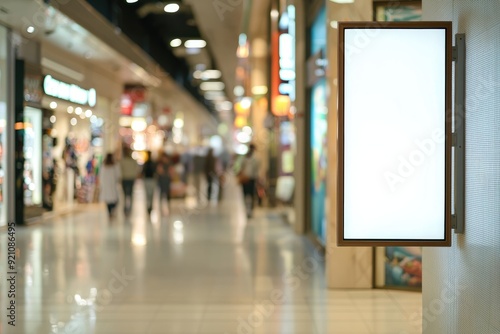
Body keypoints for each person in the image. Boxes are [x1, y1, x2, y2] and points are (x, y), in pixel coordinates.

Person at [239, 144, 260, 218]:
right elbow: (241, 167)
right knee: (245, 194)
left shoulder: (256, 159)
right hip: (245, 179)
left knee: (251, 194)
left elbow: (257, 170)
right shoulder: (244, 158)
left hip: (252, 179)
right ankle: (247, 208)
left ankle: (250, 209)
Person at [99, 153, 121, 218]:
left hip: (107, 184)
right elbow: (118, 175)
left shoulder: (103, 166)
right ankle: (111, 211)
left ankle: (110, 212)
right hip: (112, 184)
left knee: (108, 200)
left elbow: (101, 176)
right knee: (113, 199)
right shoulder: (115, 165)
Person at [120, 147, 139, 215]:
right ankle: (128, 207)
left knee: (126, 194)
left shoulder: (124, 161)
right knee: (128, 194)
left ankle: (127, 207)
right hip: (129, 178)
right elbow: (136, 169)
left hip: (127, 178)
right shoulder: (126, 161)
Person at [141, 151, 156, 215]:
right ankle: (149, 206)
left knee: (148, 193)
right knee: (151, 194)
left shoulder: (148, 163)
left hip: (148, 179)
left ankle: (149, 206)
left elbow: (143, 171)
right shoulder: (151, 163)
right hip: (150, 179)